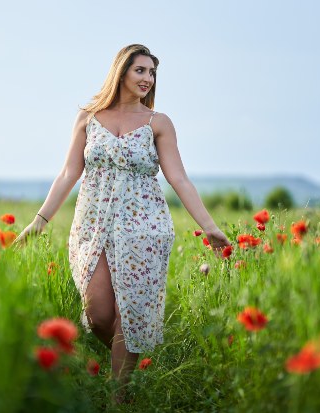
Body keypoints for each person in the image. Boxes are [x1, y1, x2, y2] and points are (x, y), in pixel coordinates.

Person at [15, 44, 230, 402]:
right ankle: (127, 368)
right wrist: (38, 222)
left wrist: (209, 226)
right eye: (140, 71)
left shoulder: (158, 123)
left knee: (130, 314)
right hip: (92, 226)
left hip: (144, 228)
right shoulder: (87, 117)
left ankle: (119, 396)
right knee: (99, 315)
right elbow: (69, 173)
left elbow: (179, 178)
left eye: (152, 73)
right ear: (122, 71)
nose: (147, 79)